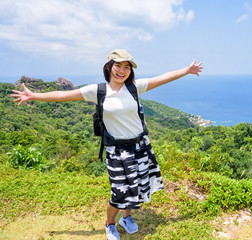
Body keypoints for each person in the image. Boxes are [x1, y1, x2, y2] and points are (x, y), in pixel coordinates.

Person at [11, 49, 203, 240]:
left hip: (140, 146)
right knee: (119, 192)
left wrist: (186, 70)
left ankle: (126, 218)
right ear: (109, 67)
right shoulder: (98, 91)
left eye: (127, 67)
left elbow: (163, 78)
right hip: (117, 150)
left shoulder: (135, 87)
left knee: (135, 187)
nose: (122, 71)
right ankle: (110, 224)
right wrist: (34, 96)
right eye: (118, 65)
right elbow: (64, 95)